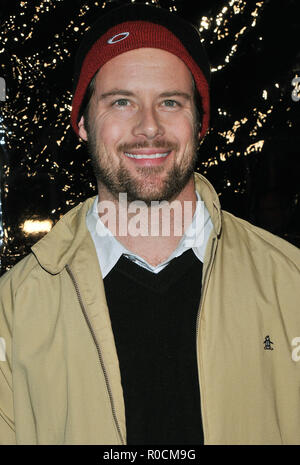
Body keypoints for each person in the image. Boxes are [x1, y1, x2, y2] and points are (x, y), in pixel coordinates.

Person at [0, 3, 300, 446]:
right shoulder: (13, 309)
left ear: (200, 122)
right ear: (82, 123)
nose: (149, 127)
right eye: (122, 101)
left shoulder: (289, 283)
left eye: (171, 102)